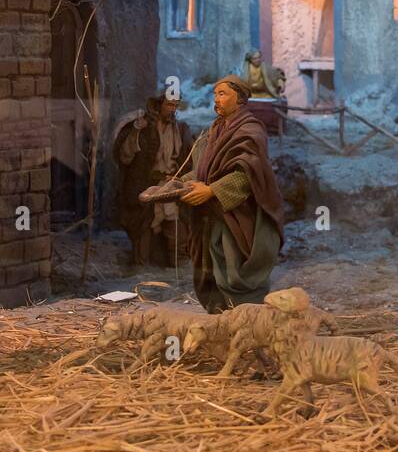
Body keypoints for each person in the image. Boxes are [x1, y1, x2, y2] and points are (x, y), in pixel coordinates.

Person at [179, 76, 285, 313]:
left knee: (229, 261)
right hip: (208, 212)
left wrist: (212, 190)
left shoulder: (250, 130)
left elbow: (248, 173)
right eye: (215, 94)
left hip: (235, 212)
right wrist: (182, 183)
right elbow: (203, 168)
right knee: (206, 261)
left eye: (223, 94)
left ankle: (244, 316)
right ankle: (218, 312)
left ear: (240, 98)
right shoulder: (214, 129)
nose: (217, 99)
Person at [113, 91, 193, 267]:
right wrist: (135, 131)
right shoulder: (144, 128)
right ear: (159, 104)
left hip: (171, 184)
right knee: (143, 230)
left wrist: (179, 177)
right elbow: (125, 157)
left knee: (177, 230)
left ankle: (177, 267)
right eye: (168, 105)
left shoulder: (180, 129)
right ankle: (142, 268)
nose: (172, 110)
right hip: (147, 185)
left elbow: (189, 159)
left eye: (175, 106)